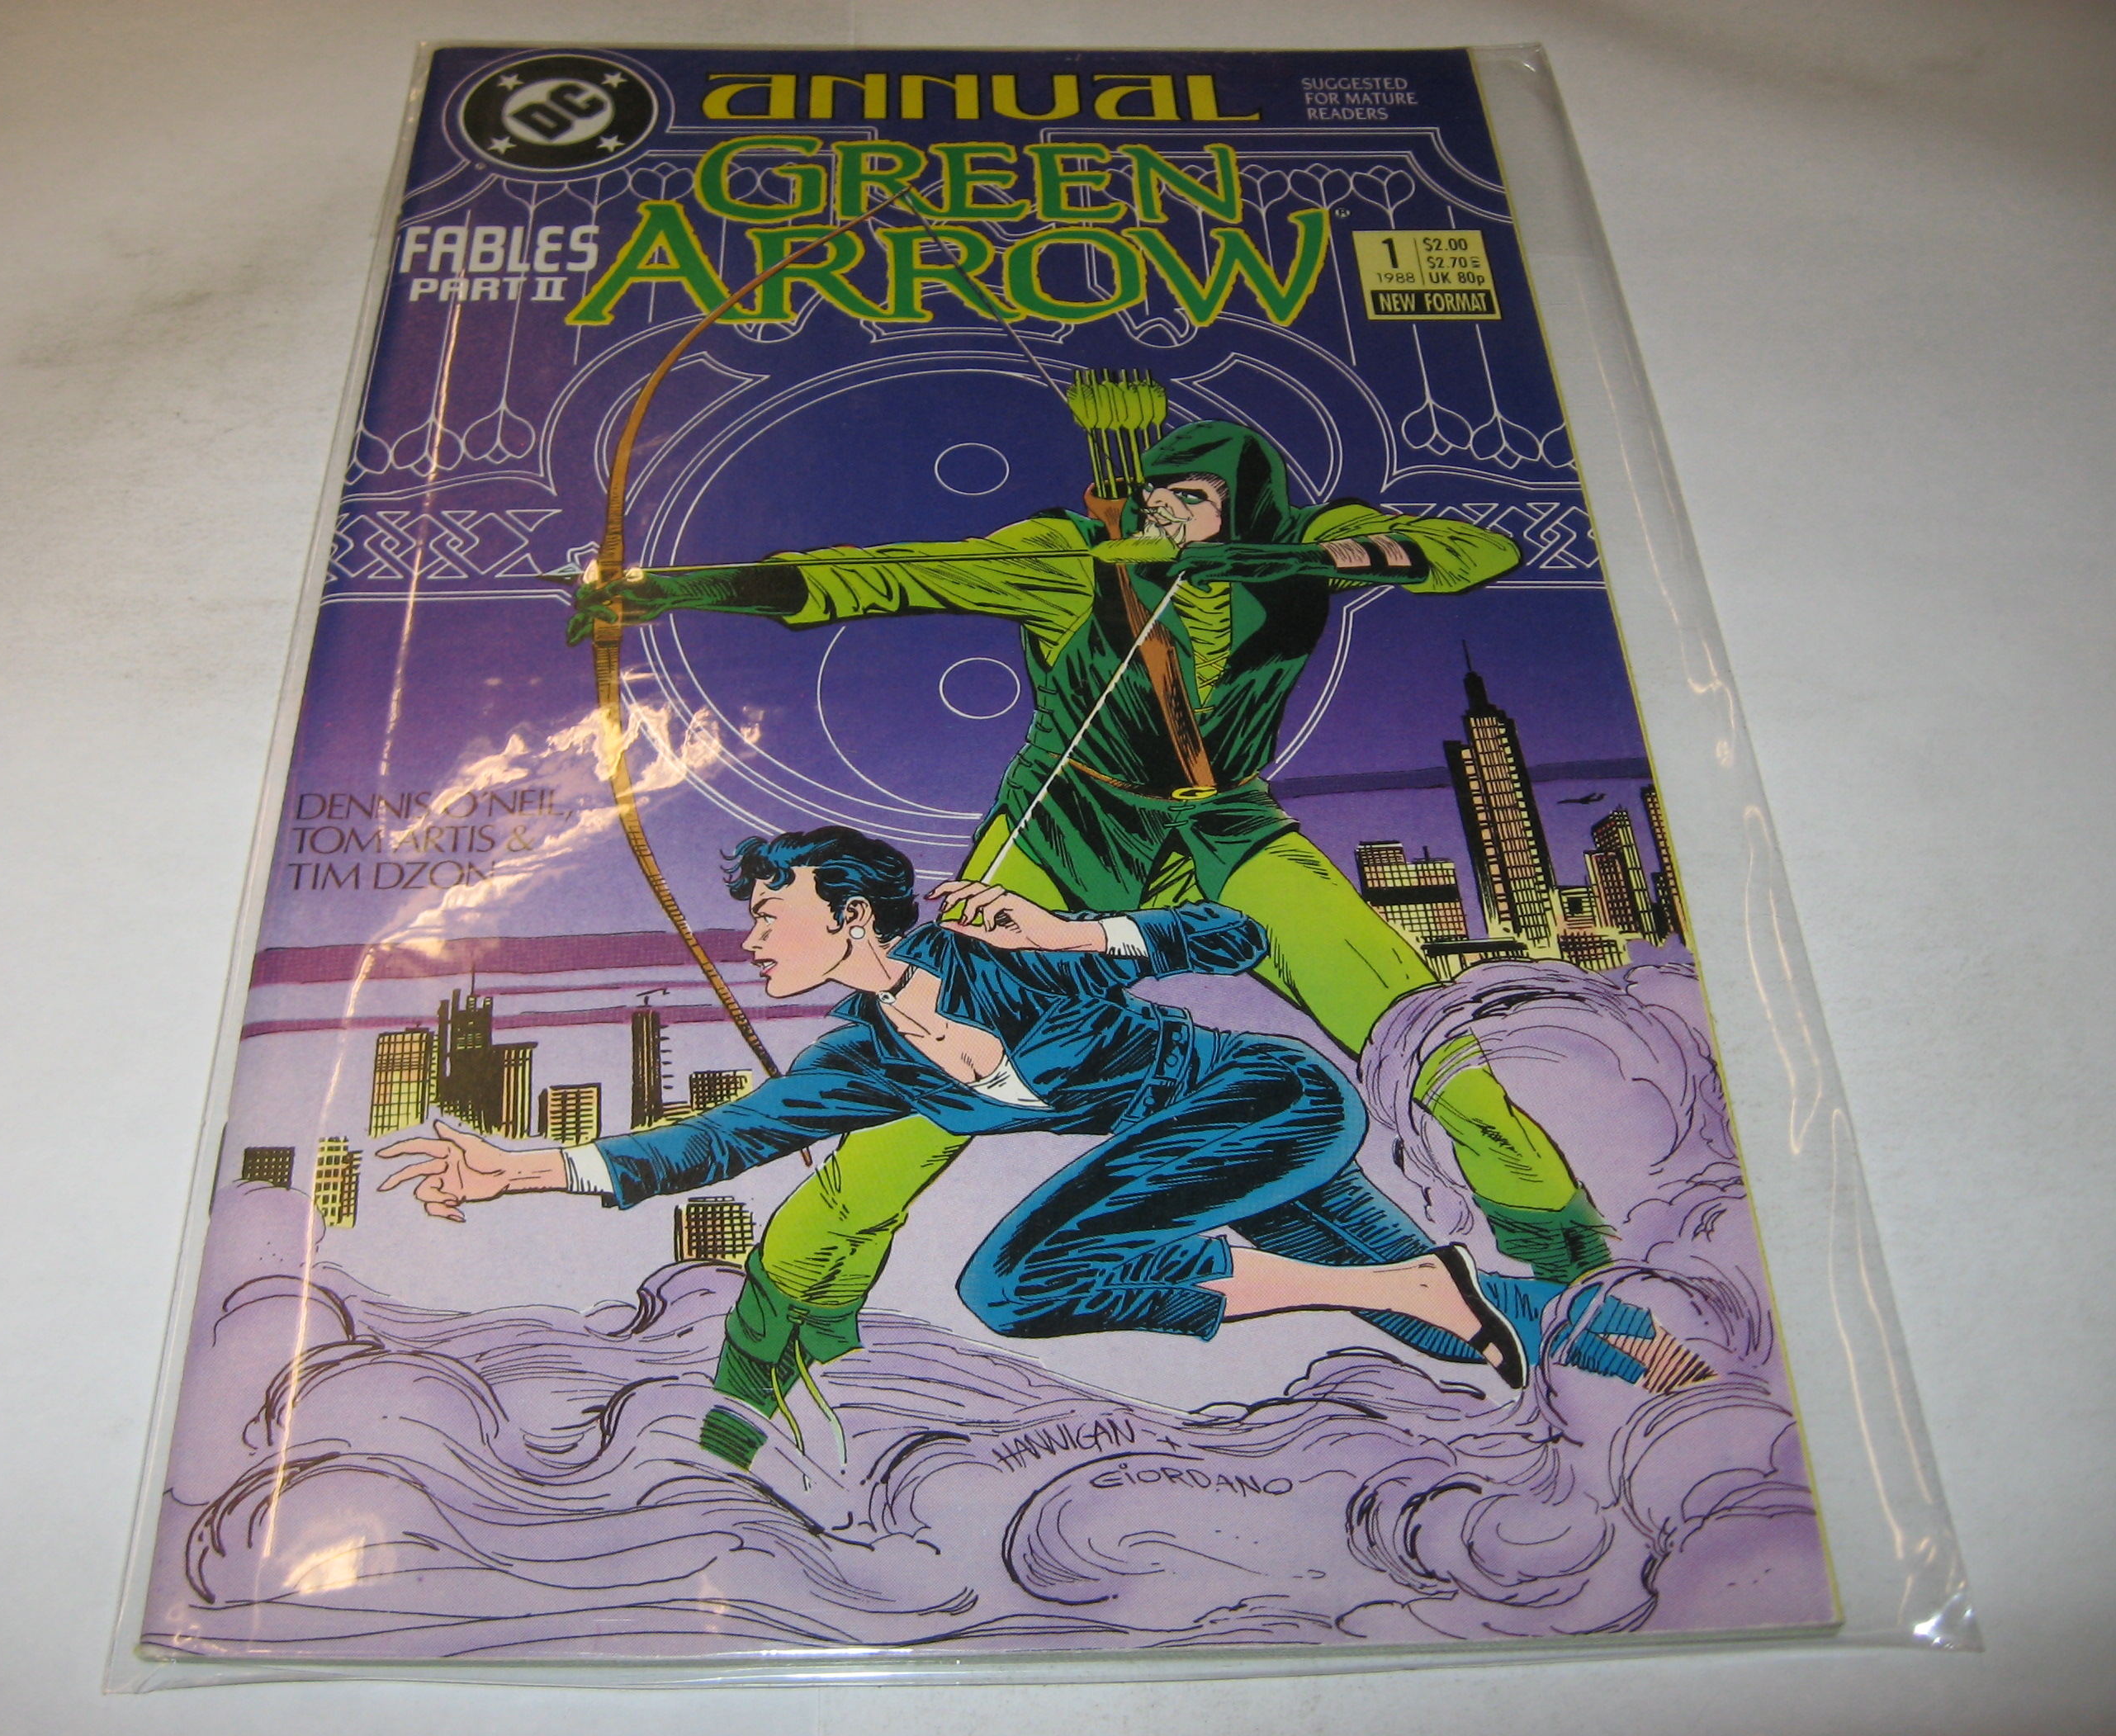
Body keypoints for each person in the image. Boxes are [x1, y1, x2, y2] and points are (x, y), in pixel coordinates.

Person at [566, 419, 1627, 1426]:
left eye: (1192, 498)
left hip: (1225, 830)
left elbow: (1475, 551)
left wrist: (1310, 560)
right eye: (1156, 495)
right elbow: (882, 575)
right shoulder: (1075, 556)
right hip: (1064, 833)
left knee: (1430, 1047)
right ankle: (778, 1344)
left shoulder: (1299, 544)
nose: (1166, 513)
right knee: (910, 1105)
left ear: (1245, 502)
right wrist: (666, 591)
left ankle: (1578, 1266)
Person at [380, 827, 1699, 1471]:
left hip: (1262, 1104)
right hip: (1201, 1158)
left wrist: (1071, 934)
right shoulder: (862, 1060)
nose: (755, 938)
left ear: (855, 916)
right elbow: (713, 1141)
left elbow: (1238, 938)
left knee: (1014, 1281)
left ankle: (1399, 1283)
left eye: (773, 913)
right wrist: (520, 1169)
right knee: (1457, 1329)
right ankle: (1666, 1362)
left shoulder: (999, 955)